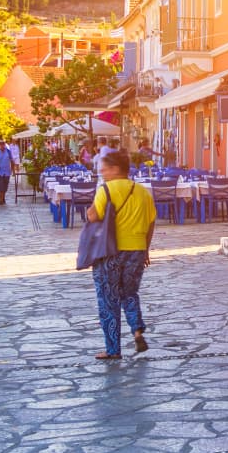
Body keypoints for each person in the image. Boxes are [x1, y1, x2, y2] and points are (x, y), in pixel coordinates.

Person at [86, 150, 156, 360]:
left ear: (116, 169)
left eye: (105, 169)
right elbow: (151, 223)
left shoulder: (105, 190)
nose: (102, 173)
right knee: (129, 293)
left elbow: (93, 216)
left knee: (108, 300)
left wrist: (90, 211)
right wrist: (145, 249)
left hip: (110, 252)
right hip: (136, 250)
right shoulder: (143, 192)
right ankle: (136, 330)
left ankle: (112, 349)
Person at [0, 139, 15, 206]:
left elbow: (12, 161)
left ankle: (3, 198)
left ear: (4, 145)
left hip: (7, 171)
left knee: (5, 186)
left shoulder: (8, 151)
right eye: (0, 144)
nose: (2, 145)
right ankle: (0, 200)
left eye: (3, 144)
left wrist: (13, 171)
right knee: (0, 185)